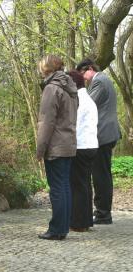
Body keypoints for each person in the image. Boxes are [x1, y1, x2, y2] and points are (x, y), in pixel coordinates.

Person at [36, 55, 78, 240]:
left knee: (58, 189)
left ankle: (56, 229)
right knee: (65, 187)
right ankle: (62, 228)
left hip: (56, 146)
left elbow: (46, 122)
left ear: (46, 69)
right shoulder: (70, 88)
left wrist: (40, 149)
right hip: (68, 143)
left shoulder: (52, 89)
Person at [76, 59, 121, 224]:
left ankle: (103, 214)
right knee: (102, 174)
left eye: (83, 74)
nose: (84, 79)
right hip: (105, 134)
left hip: (103, 135)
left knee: (101, 176)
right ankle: (102, 212)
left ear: (89, 68)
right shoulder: (101, 80)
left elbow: (86, 105)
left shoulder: (100, 82)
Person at [67, 70, 98, 232]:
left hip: (81, 146)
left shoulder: (79, 100)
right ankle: (85, 221)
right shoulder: (89, 99)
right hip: (92, 145)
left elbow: (74, 125)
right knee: (85, 184)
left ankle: (78, 223)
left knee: (78, 185)